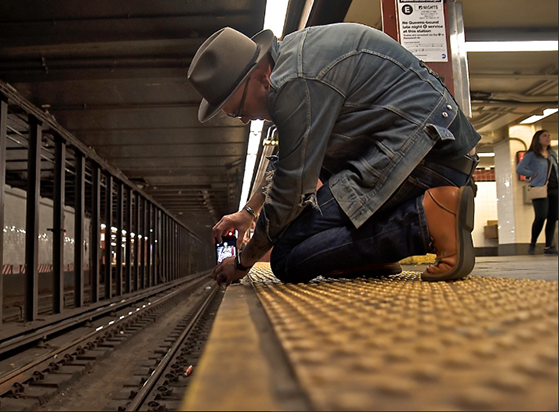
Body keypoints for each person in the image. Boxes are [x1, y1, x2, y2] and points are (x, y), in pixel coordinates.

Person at [187, 23, 481, 285]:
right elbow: (290, 157)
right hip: (429, 148)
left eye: (239, 110)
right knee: (306, 242)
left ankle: (425, 220)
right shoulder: (294, 61)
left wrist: (242, 262)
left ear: (260, 78)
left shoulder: (294, 85)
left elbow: (289, 192)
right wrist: (248, 213)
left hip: (428, 154)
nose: (243, 120)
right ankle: (372, 255)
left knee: (287, 257)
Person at [516, 130, 559, 255]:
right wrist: (532, 174)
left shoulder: (552, 154)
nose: (548, 137)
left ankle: (548, 246)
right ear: (538, 139)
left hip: (554, 187)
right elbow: (520, 168)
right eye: (544, 136)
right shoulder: (532, 155)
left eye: (549, 135)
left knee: (553, 217)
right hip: (539, 188)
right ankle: (533, 243)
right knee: (541, 216)